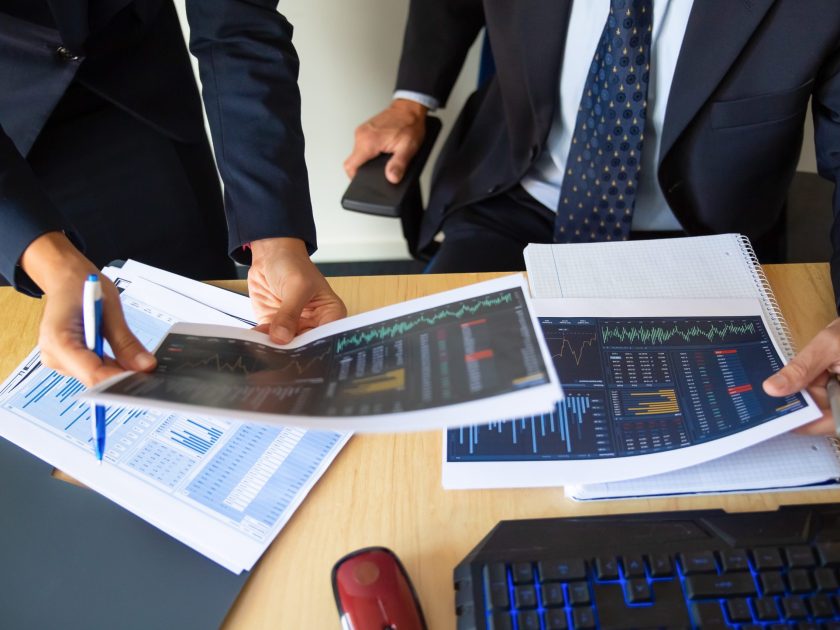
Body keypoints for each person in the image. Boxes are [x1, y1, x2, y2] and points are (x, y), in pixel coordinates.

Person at [345, 0, 840, 433]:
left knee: (712, 431)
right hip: (517, 201)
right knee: (428, 407)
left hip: (700, 235)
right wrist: (412, 100)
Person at [1, 0, 346, 388]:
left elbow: (237, 27)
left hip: (133, 84)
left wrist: (274, 239)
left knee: (203, 354)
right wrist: (55, 266)